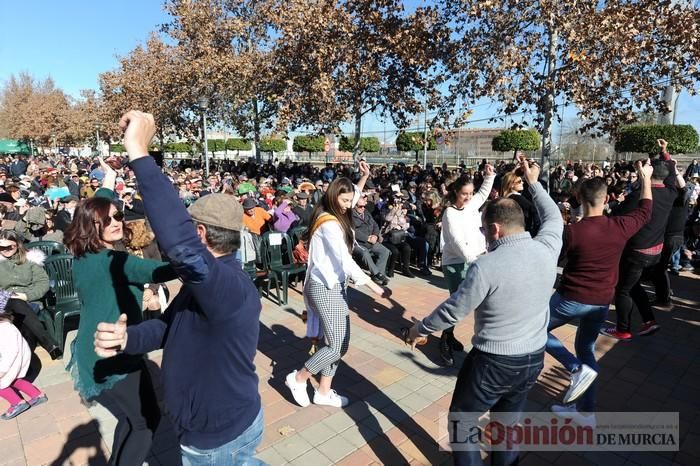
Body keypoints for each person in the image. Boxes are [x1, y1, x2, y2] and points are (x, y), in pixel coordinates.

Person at [93, 110, 264, 465]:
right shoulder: (206, 287)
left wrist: (138, 151)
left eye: (192, 226)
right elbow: (168, 328)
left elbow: (180, 245)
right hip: (217, 430)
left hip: (217, 438)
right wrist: (128, 340)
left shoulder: (227, 286)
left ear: (201, 233)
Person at [408, 157, 562, 466]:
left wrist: (419, 329)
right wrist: (533, 182)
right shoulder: (548, 248)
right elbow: (553, 215)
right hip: (533, 358)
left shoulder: (485, 266)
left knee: (462, 419)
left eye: (483, 230)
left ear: (494, 228)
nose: (483, 235)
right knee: (508, 423)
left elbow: (454, 310)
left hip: (493, 361)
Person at [64, 195, 176, 466]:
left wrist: (110, 176)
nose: (117, 222)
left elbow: (93, 205)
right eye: (108, 219)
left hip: (94, 349)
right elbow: (160, 272)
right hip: (113, 353)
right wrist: (205, 255)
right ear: (91, 225)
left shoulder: (82, 256)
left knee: (132, 418)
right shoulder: (114, 261)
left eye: (119, 216)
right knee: (147, 420)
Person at [547, 162, 653, 426]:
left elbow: (557, 259)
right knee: (586, 349)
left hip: (570, 299)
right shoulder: (620, 226)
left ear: (580, 198)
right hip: (601, 301)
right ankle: (586, 413)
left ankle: (575, 369)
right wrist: (646, 178)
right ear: (607, 199)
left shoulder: (572, 231)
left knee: (532, 329)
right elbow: (646, 210)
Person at [285, 161, 390, 409]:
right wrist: (373, 286)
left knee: (339, 343)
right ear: (334, 198)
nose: (349, 206)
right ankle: (298, 378)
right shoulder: (329, 223)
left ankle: (323, 391)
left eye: (349, 202)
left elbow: (350, 197)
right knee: (335, 345)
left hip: (335, 287)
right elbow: (345, 259)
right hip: (324, 287)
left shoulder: (336, 210)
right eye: (344, 202)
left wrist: (363, 178)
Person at [602, 158, 683, 340]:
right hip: (656, 251)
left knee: (622, 290)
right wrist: (666, 156)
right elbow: (670, 175)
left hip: (636, 252)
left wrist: (616, 203)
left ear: (649, 173)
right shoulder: (671, 192)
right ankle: (649, 321)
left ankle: (623, 329)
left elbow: (615, 215)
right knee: (633, 285)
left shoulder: (638, 197)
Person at [437, 165, 495, 367]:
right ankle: (445, 339)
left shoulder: (471, 205)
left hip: (475, 259)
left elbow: (483, 192)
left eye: (470, 193)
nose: (469, 197)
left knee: (463, 304)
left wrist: (489, 175)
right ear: (455, 192)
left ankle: (449, 334)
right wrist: (477, 261)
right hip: (456, 263)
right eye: (464, 194)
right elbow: (456, 242)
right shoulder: (450, 214)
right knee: (458, 304)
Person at [0, 230, 61, 359]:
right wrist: (9, 295)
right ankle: (49, 344)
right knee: (15, 302)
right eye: (1, 247)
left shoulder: (30, 261)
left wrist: (26, 295)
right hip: (5, 303)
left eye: (9, 246)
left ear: (17, 245)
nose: (5, 250)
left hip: (29, 302)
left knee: (25, 327)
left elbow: (43, 283)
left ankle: (24, 361)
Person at [0, 307, 48, 420]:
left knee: (4, 381)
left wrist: (2, 370)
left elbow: (10, 352)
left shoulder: (4, 329)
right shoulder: (6, 326)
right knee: (14, 380)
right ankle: (37, 395)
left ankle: (17, 403)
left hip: (11, 362)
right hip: (16, 359)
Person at [352, 193, 390, 285]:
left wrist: (375, 235)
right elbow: (352, 231)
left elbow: (375, 225)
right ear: (354, 206)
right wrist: (367, 238)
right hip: (358, 243)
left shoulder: (366, 212)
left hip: (371, 240)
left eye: (364, 206)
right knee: (365, 253)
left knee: (385, 251)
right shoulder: (349, 215)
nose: (363, 208)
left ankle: (376, 276)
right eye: (360, 206)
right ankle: (377, 274)